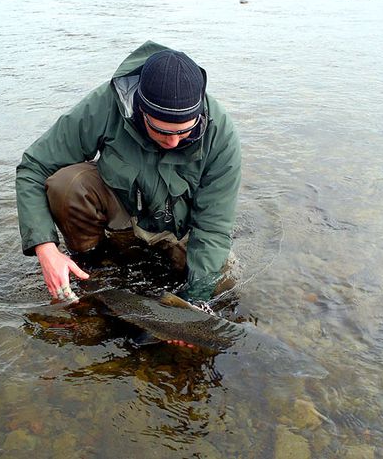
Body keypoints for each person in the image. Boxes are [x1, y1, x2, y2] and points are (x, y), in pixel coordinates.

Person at [15, 41, 241, 304]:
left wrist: (194, 304)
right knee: (67, 185)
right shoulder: (107, 105)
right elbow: (34, 166)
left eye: (185, 131)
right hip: (124, 215)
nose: (174, 142)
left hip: (180, 231)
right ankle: (92, 268)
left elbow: (213, 228)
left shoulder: (220, 133)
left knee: (221, 285)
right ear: (140, 110)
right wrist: (45, 249)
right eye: (163, 131)